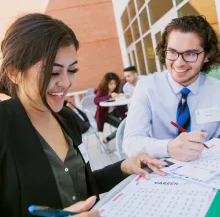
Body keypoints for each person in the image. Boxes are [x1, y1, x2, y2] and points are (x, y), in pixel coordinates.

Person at [0, 13, 167, 217]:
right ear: (14, 72)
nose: (66, 82)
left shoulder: (66, 117)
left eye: (72, 70)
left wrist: (124, 166)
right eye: (53, 72)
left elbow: (83, 186)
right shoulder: (4, 126)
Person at [123, 15, 220, 162]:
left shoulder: (217, 89)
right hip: (163, 169)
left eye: (190, 54)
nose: (179, 63)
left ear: (208, 55)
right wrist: (169, 147)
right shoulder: (147, 88)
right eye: (172, 52)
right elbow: (130, 143)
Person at [94, 72, 126, 152]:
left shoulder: (115, 90)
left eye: (114, 84)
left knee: (126, 123)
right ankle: (106, 140)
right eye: (111, 84)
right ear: (106, 83)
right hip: (105, 115)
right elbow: (96, 100)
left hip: (115, 111)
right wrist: (110, 96)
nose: (113, 86)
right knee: (123, 127)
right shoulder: (102, 91)